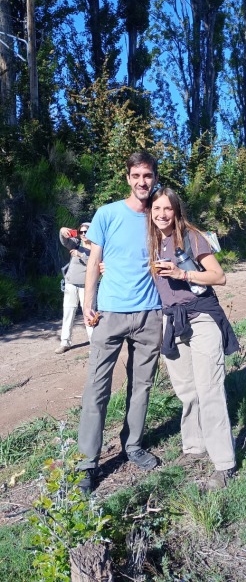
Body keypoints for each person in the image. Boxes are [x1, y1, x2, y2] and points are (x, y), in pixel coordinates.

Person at [77, 151, 162, 494]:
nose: (143, 182)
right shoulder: (107, 214)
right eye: (137, 175)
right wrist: (88, 302)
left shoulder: (159, 215)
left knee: (141, 386)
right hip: (109, 313)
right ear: (128, 177)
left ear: (156, 178)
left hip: (149, 315)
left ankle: (133, 446)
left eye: (149, 176)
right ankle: (87, 463)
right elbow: (93, 259)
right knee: (96, 389)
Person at [148, 187, 239, 490]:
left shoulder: (191, 236)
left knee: (210, 388)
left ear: (176, 211)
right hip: (172, 321)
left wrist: (182, 275)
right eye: (156, 208)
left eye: (167, 209)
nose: (162, 214)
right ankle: (194, 446)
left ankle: (224, 463)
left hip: (201, 318)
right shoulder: (149, 242)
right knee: (187, 390)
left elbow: (219, 276)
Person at [55, 223, 95, 354]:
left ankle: (93, 343)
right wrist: (62, 231)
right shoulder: (76, 243)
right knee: (68, 313)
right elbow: (64, 241)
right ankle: (65, 343)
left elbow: (96, 262)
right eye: (81, 231)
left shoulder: (97, 247)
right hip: (71, 283)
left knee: (89, 313)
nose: (83, 234)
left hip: (87, 285)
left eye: (86, 232)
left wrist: (81, 255)